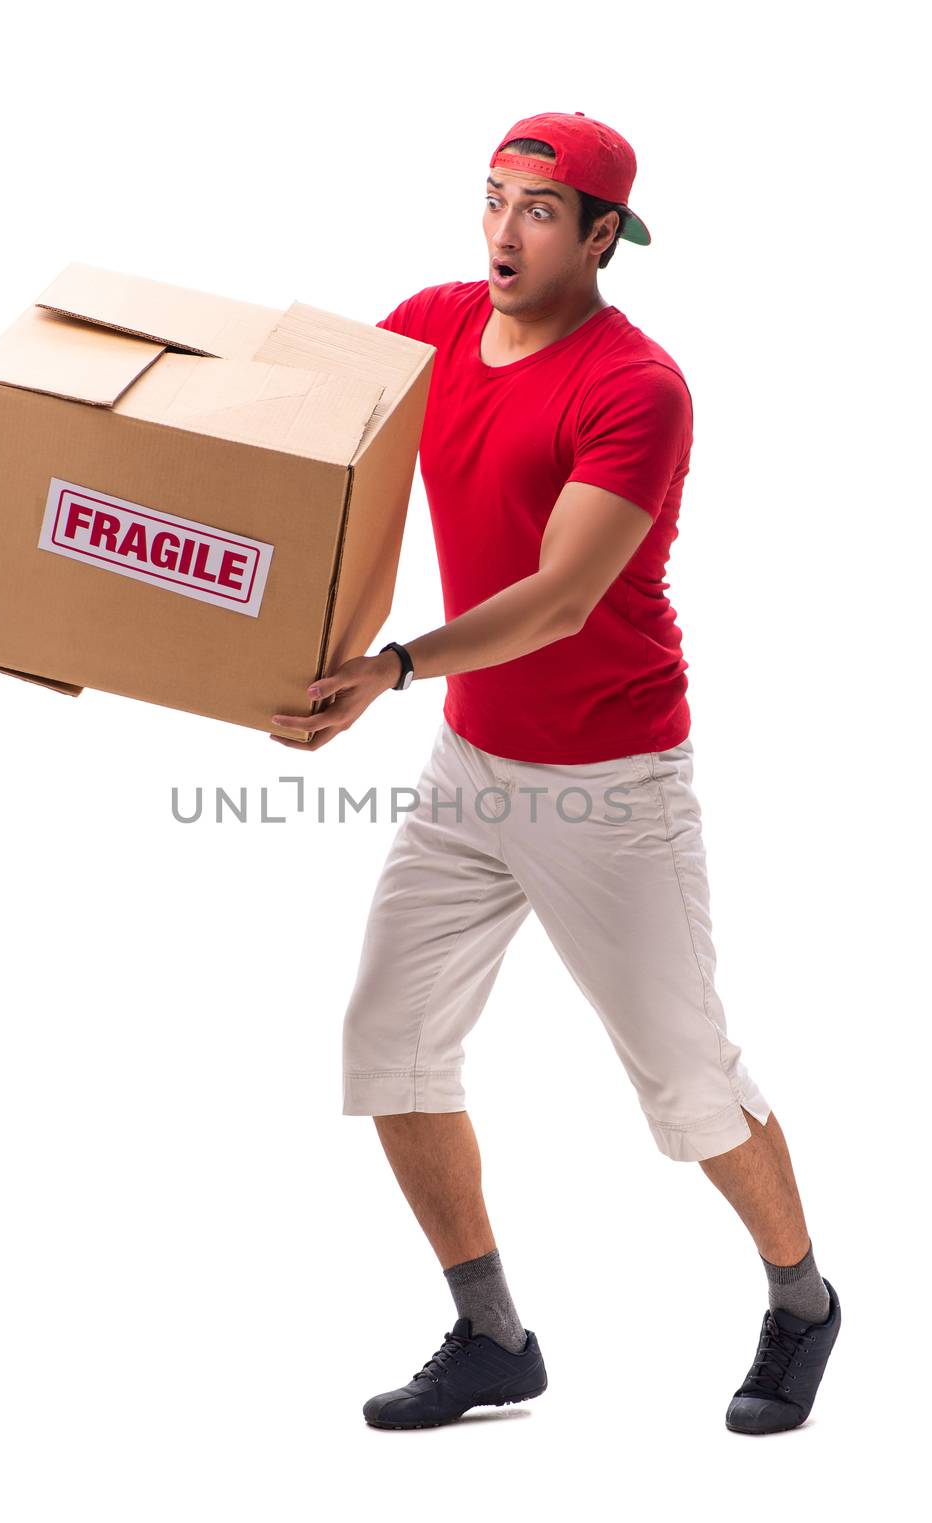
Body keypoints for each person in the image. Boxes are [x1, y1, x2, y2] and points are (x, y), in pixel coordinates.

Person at [270, 110, 841, 1434]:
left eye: (539, 211)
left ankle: (803, 1302)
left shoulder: (634, 387)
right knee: (389, 1046)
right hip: (475, 763)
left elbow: (560, 599)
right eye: (493, 199)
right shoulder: (430, 319)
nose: (504, 230)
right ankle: (491, 1339)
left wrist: (391, 665)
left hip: (610, 779)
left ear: (601, 237)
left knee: (687, 1084)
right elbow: (298, 424)